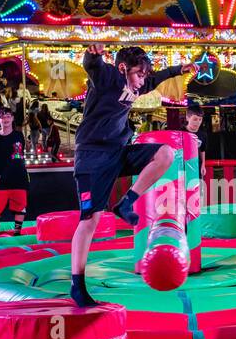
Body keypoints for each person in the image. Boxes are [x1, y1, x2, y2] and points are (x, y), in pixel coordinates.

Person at [69, 43, 194, 307]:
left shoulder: (136, 85)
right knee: (89, 219)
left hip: (117, 151)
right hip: (92, 157)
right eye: (138, 74)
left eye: (143, 75)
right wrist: (93, 54)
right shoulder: (109, 79)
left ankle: (126, 201)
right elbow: (93, 67)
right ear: (124, 68)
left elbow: (154, 79)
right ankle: (77, 285)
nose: (141, 82)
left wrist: (177, 70)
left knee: (166, 154)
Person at [0, 107, 30, 234]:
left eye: (8, 116)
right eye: (2, 117)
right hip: (0, 178)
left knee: (20, 205)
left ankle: (17, 230)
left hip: (19, 177)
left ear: (12, 119)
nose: (6, 119)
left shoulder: (19, 135)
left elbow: (20, 154)